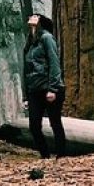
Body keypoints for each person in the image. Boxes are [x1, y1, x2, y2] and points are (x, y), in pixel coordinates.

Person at [23, 13, 66, 159]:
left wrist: (53, 89)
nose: (31, 18)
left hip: (50, 89)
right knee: (34, 126)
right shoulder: (30, 41)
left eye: (35, 16)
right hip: (34, 90)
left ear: (40, 21)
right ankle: (45, 156)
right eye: (31, 16)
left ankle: (62, 155)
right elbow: (27, 69)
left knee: (55, 123)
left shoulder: (47, 38)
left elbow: (54, 63)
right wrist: (26, 96)